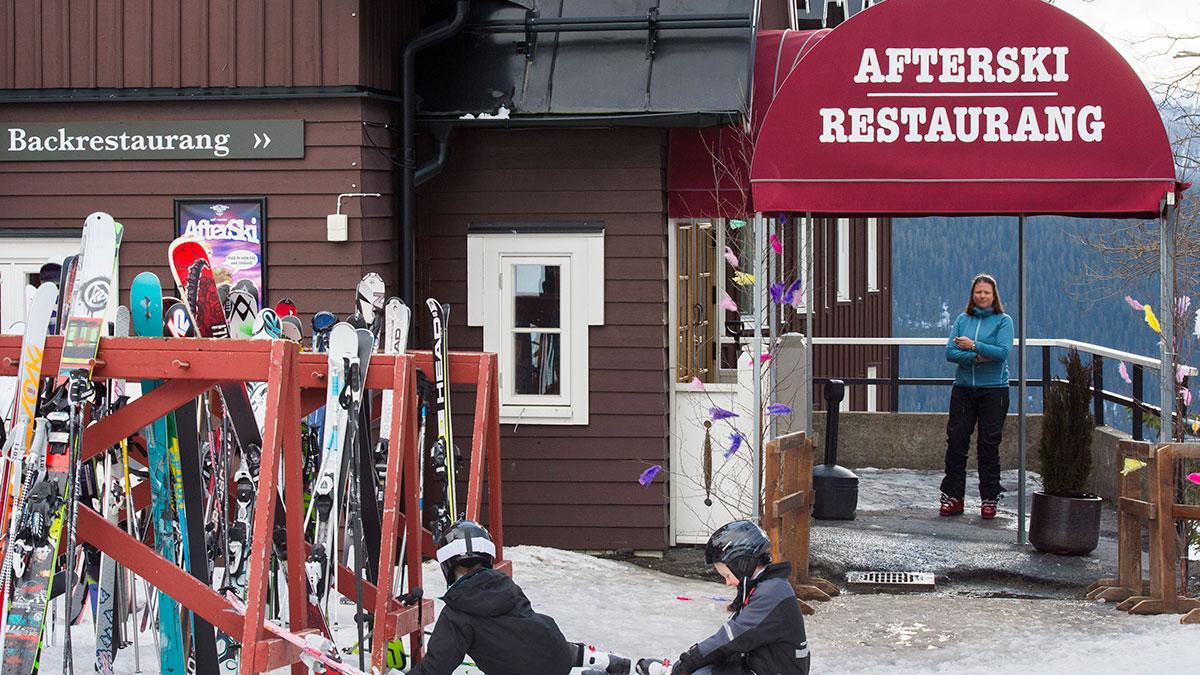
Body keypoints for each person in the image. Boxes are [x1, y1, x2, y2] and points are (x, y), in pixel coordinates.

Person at [410, 519, 631, 675]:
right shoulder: (507, 586)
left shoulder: (457, 612)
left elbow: (436, 668)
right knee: (543, 640)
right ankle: (602, 661)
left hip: (520, 669)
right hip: (554, 647)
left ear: (448, 567)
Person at [636, 520, 810, 675]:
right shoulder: (765, 585)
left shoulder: (771, 593)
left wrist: (687, 662)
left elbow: (730, 639)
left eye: (727, 575)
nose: (727, 582)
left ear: (741, 564)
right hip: (761, 664)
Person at [940, 273, 1014, 520]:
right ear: (973, 295)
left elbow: (1002, 352)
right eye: (978, 292)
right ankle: (953, 496)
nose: (982, 296)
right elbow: (950, 353)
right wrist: (980, 357)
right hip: (963, 389)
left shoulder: (1004, 321)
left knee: (988, 446)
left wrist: (972, 346)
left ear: (994, 296)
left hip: (994, 390)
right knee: (957, 442)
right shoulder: (962, 319)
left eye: (986, 292)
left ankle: (989, 499)